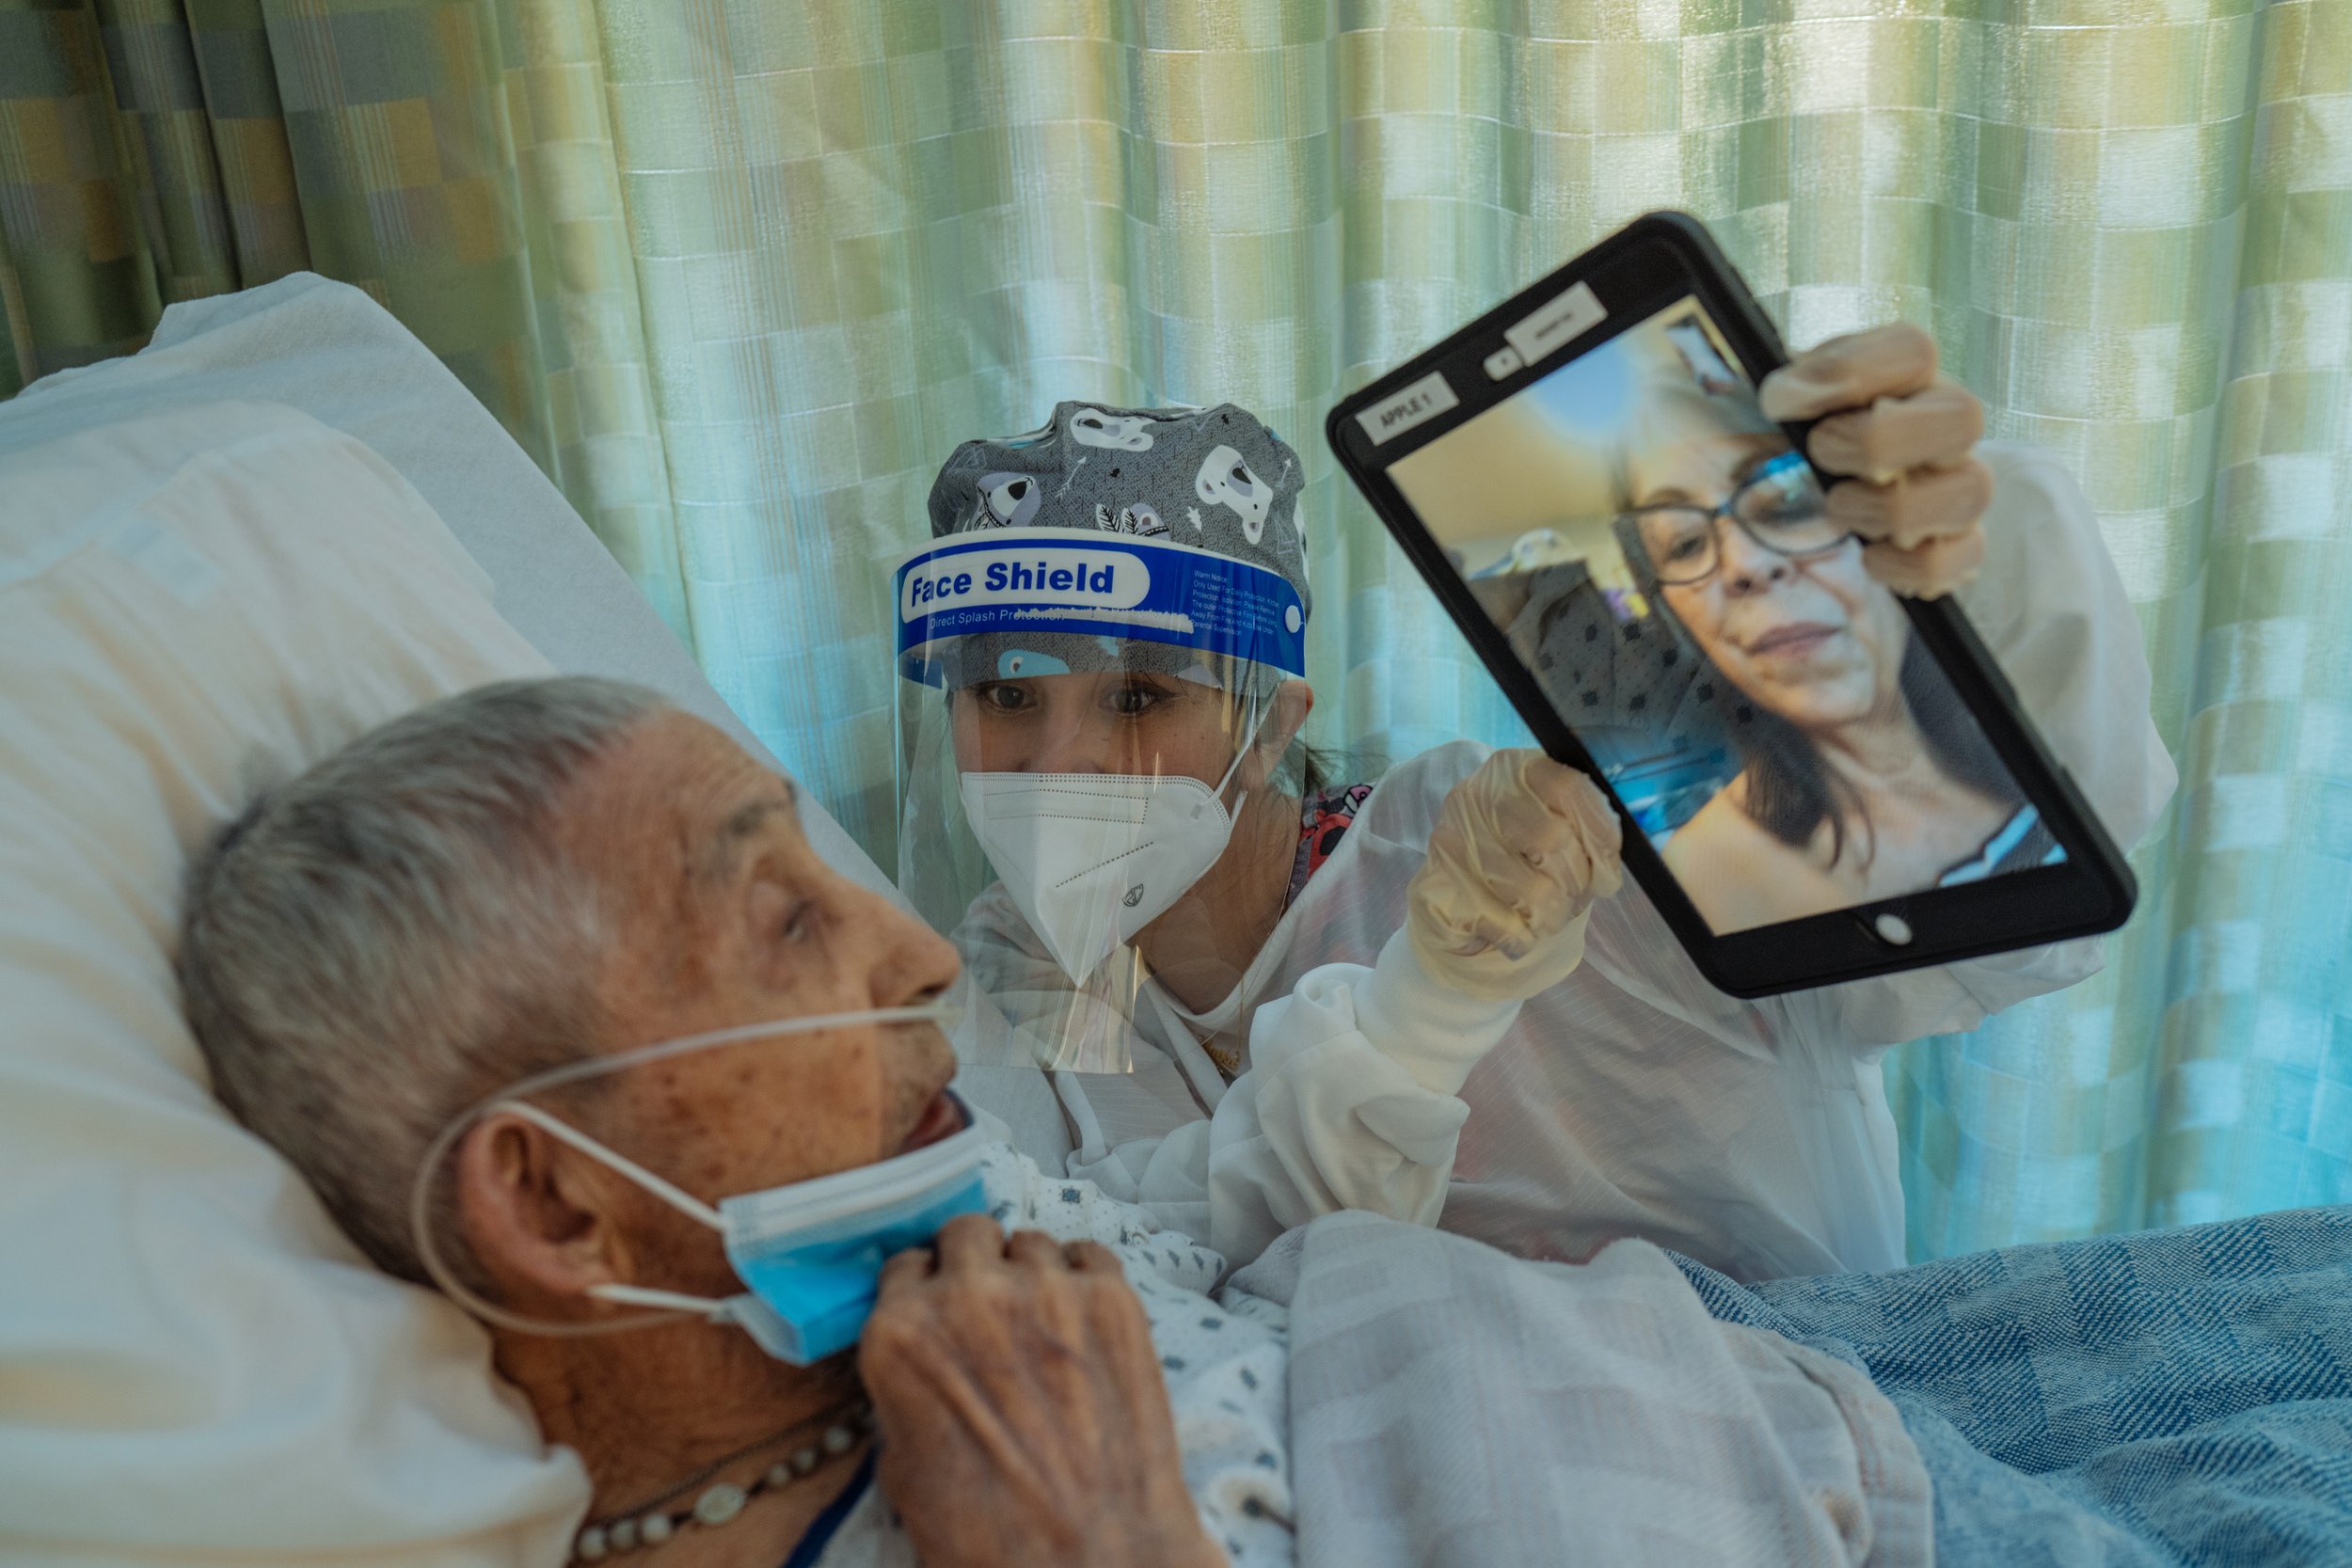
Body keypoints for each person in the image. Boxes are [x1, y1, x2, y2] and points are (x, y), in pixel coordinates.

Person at [173, 678, 2352, 1568]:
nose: (916, 954)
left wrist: (1436, 998)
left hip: (1840, 1375)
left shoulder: (938, 1207)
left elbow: (1211, 1201)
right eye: (779, 919)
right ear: (552, 1197)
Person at [902, 325, 2178, 1281]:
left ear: (1275, 716)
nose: (1057, 762)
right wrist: (1420, 1017)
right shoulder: (1023, 976)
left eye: (1139, 699)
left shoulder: (1531, 845)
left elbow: (1994, 918)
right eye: (1008, 695)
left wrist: (1964, 582)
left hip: (1777, 1418)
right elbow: (1062, 1258)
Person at [1613, 377, 2054, 932]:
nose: (1745, 563)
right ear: (1677, 618)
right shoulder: (1701, 882)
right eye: (1684, 543)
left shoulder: (2044, 713)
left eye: (1787, 500)